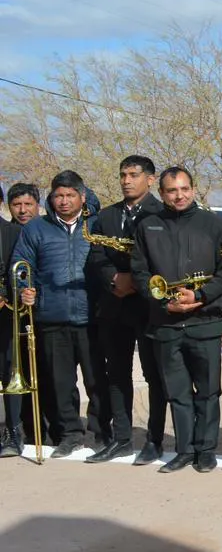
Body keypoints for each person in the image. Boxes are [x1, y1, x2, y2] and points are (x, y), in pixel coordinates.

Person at [130, 167, 222, 474]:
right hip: (165, 323)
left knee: (208, 391)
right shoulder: (147, 225)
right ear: (161, 193)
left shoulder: (214, 224)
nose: (180, 195)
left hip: (205, 321)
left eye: (185, 189)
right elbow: (139, 272)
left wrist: (200, 296)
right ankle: (185, 450)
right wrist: (163, 301)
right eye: (172, 190)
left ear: (193, 189)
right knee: (176, 392)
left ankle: (206, 450)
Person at [84, 156, 167, 464]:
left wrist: (135, 280)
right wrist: (113, 278)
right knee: (117, 375)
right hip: (114, 305)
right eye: (123, 175)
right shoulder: (107, 216)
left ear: (150, 179)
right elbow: (96, 256)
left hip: (147, 307)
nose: (126, 180)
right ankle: (121, 439)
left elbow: (165, 256)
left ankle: (154, 440)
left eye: (133, 175)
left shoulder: (163, 213)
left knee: (154, 376)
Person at [12, 171, 98, 458]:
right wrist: (26, 288)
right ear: (51, 199)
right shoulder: (36, 229)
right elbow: (22, 265)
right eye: (58, 196)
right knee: (61, 383)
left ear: (82, 197)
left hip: (91, 318)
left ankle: (102, 432)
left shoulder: (95, 226)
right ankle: (70, 434)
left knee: (97, 380)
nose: (63, 201)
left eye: (70, 195)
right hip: (51, 316)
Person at [2, 184, 40, 454]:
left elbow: (19, 272)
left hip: (6, 315)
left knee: (10, 372)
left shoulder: (15, 233)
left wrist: (5, 294)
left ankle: (14, 432)